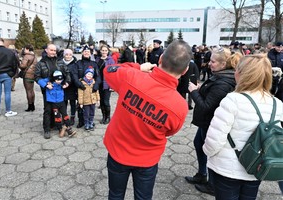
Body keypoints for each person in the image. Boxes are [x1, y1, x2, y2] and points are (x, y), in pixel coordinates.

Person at [103, 40, 192, 199]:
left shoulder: (131, 76)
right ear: (185, 70)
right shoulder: (180, 106)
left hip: (117, 151)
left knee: (115, 194)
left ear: (160, 59)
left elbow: (109, 70)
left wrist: (138, 67)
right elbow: (170, 131)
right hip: (147, 160)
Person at [203, 54, 283, 200]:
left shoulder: (233, 100)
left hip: (226, 169)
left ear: (242, 74)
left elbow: (215, 138)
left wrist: (207, 152)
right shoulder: (278, 104)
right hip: (256, 167)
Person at [185, 47, 243, 195]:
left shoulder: (223, 82)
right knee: (199, 144)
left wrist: (194, 92)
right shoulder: (220, 75)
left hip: (212, 123)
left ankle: (212, 184)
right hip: (207, 122)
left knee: (210, 151)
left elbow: (206, 106)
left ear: (224, 64)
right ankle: (202, 174)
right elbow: (211, 96)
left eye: (213, 61)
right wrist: (201, 88)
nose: (209, 63)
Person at [35, 43, 71, 139]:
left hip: (59, 91)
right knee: (47, 110)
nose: (53, 52)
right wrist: (45, 84)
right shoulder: (41, 63)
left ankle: (59, 126)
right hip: (48, 90)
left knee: (60, 110)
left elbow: (67, 73)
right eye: (51, 50)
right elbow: (37, 77)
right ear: (46, 50)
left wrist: (67, 82)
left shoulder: (60, 62)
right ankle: (47, 129)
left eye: (55, 50)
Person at [38, 70, 76, 138]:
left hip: (61, 102)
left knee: (65, 115)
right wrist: (46, 85)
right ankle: (61, 129)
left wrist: (67, 83)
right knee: (57, 116)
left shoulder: (62, 82)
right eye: (57, 80)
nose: (59, 81)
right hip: (53, 103)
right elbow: (40, 81)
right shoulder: (49, 81)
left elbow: (68, 78)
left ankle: (68, 128)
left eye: (60, 79)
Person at [73, 45, 101, 128]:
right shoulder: (78, 63)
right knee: (80, 104)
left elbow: (98, 76)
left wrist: (96, 85)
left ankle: (90, 121)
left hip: (91, 88)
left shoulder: (94, 64)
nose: (86, 53)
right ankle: (81, 121)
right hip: (81, 87)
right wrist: (79, 84)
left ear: (90, 53)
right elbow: (74, 75)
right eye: (85, 52)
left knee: (91, 107)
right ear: (82, 53)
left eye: (88, 52)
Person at [95, 44, 115, 124]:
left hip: (107, 83)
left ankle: (108, 117)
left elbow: (113, 73)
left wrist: (112, 85)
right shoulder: (97, 60)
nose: (104, 52)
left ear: (108, 51)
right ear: (100, 51)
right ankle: (103, 117)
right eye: (102, 50)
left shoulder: (110, 60)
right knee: (101, 102)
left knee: (106, 101)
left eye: (105, 50)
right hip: (99, 83)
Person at [19, 44, 37, 112]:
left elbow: (23, 66)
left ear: (27, 49)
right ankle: (33, 105)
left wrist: (19, 64)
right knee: (32, 90)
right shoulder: (34, 56)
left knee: (28, 91)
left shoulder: (27, 56)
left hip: (27, 75)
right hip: (33, 75)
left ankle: (30, 106)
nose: (23, 50)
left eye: (24, 48)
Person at [61, 49, 77, 125]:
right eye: (66, 54)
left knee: (72, 102)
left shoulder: (75, 64)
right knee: (63, 103)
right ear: (64, 55)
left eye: (70, 54)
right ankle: (64, 117)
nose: (68, 56)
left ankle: (72, 117)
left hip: (72, 87)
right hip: (63, 86)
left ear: (72, 55)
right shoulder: (60, 63)